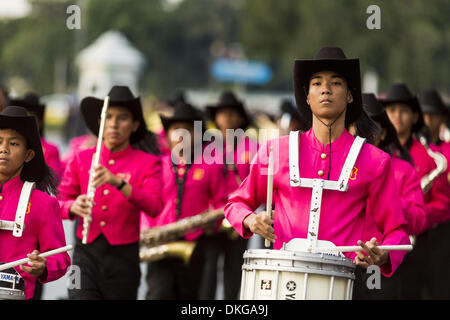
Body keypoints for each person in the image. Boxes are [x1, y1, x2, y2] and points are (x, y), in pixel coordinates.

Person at [225, 47, 410, 284]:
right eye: (317, 83)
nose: (326, 89)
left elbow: (398, 231)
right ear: (307, 96)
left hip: (342, 283)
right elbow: (236, 203)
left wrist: (384, 254)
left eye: (336, 83)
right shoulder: (275, 152)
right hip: (282, 281)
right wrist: (251, 220)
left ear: (350, 95)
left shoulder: (375, 161)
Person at [58, 85, 163, 300]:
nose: (114, 124)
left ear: (134, 125)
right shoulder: (82, 158)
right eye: (109, 117)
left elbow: (155, 206)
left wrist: (119, 183)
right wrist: (72, 206)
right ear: (100, 122)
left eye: (122, 118)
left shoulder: (148, 163)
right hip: (83, 256)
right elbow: (58, 201)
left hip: (124, 259)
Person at [141, 101, 228, 300]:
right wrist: (148, 230)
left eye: (187, 130)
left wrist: (211, 224)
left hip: (195, 245)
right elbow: (145, 202)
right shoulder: (155, 165)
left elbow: (221, 202)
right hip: (160, 243)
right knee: (158, 293)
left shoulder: (211, 166)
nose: (180, 135)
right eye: (175, 129)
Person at [352, 93, 426, 299]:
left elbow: (419, 221)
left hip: (377, 264)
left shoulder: (403, 170)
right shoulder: (338, 166)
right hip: (341, 262)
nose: (364, 135)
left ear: (383, 134)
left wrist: (388, 198)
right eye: (358, 128)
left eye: (371, 129)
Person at [382, 83, 450, 299]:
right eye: (391, 111)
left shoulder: (430, 156)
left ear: (413, 116)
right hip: (383, 244)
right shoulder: (377, 154)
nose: (397, 117)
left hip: (421, 242)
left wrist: (415, 217)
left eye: (403, 111)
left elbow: (442, 203)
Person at [0, 105, 70, 300]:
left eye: (13, 144)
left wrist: (43, 266)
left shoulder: (43, 203)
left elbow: (61, 258)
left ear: (28, 155)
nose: (3, 149)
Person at [204, 91, 258, 299]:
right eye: (222, 114)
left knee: (233, 273)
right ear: (216, 119)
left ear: (241, 118)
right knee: (207, 272)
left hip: (239, 220)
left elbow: (257, 185)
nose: (227, 118)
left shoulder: (253, 148)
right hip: (212, 219)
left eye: (232, 114)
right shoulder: (207, 148)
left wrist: (245, 216)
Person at [9, 94, 64, 180]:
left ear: (40, 123)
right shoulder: (6, 145)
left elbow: (54, 180)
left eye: (30, 121)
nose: (25, 125)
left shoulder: (50, 150)